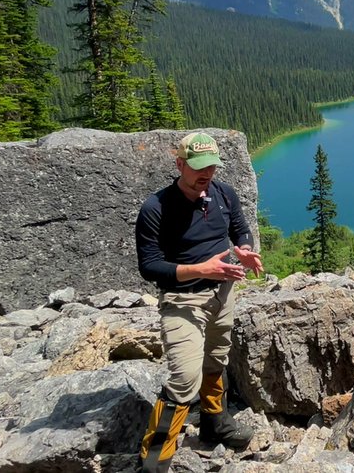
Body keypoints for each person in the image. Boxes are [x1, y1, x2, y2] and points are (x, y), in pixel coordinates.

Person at [135, 132, 264, 472]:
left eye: (212, 167)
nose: (206, 174)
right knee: (185, 377)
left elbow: (241, 229)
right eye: (198, 168)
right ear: (180, 165)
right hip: (182, 300)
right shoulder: (156, 207)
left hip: (223, 293)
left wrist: (245, 249)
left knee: (216, 359)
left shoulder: (223, 193)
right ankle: (155, 459)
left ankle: (214, 424)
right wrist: (200, 269)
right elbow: (149, 266)